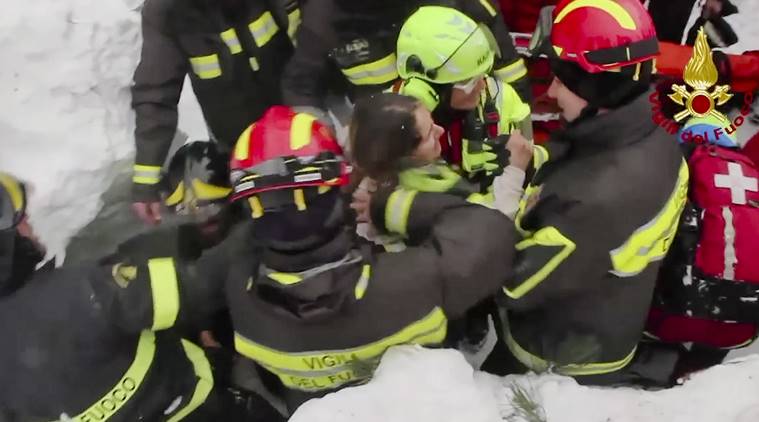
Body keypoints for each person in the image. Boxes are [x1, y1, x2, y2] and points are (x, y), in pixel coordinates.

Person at [99, 105, 517, 414]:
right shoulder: (414, 281)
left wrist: (268, 212)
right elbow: (490, 232)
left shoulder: (239, 297)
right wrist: (390, 204)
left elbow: (186, 281)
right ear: (336, 191)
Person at [497, 0, 690, 385]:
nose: (550, 90)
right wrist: (534, 159)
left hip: (558, 352)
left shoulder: (595, 201)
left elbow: (510, 287)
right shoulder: (654, 134)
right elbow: (578, 164)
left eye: (562, 79)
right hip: (606, 304)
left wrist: (502, 190)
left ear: (596, 87)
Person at [0, 172, 283, 421]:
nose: (29, 224)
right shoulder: (84, 290)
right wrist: (266, 222)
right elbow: (198, 286)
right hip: (203, 410)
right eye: (20, 220)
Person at [131, 0, 300, 225]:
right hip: (241, 149)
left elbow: (314, 37)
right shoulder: (166, 11)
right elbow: (156, 93)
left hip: (305, 128)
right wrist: (145, 181)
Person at [282, 0, 531, 131]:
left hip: (467, 124)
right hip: (387, 143)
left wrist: (516, 129)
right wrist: (322, 148)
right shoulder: (324, 16)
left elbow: (508, 67)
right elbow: (301, 86)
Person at [646, 115, 759, 381]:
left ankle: (659, 365)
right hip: (742, 330)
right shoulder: (752, 174)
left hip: (669, 321)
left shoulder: (677, 170)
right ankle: (699, 368)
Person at [390, 6, 532, 187]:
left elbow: (533, 164)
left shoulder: (504, 100)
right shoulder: (385, 124)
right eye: (469, 80)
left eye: (483, 74)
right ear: (427, 87)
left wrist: (522, 165)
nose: (482, 85)